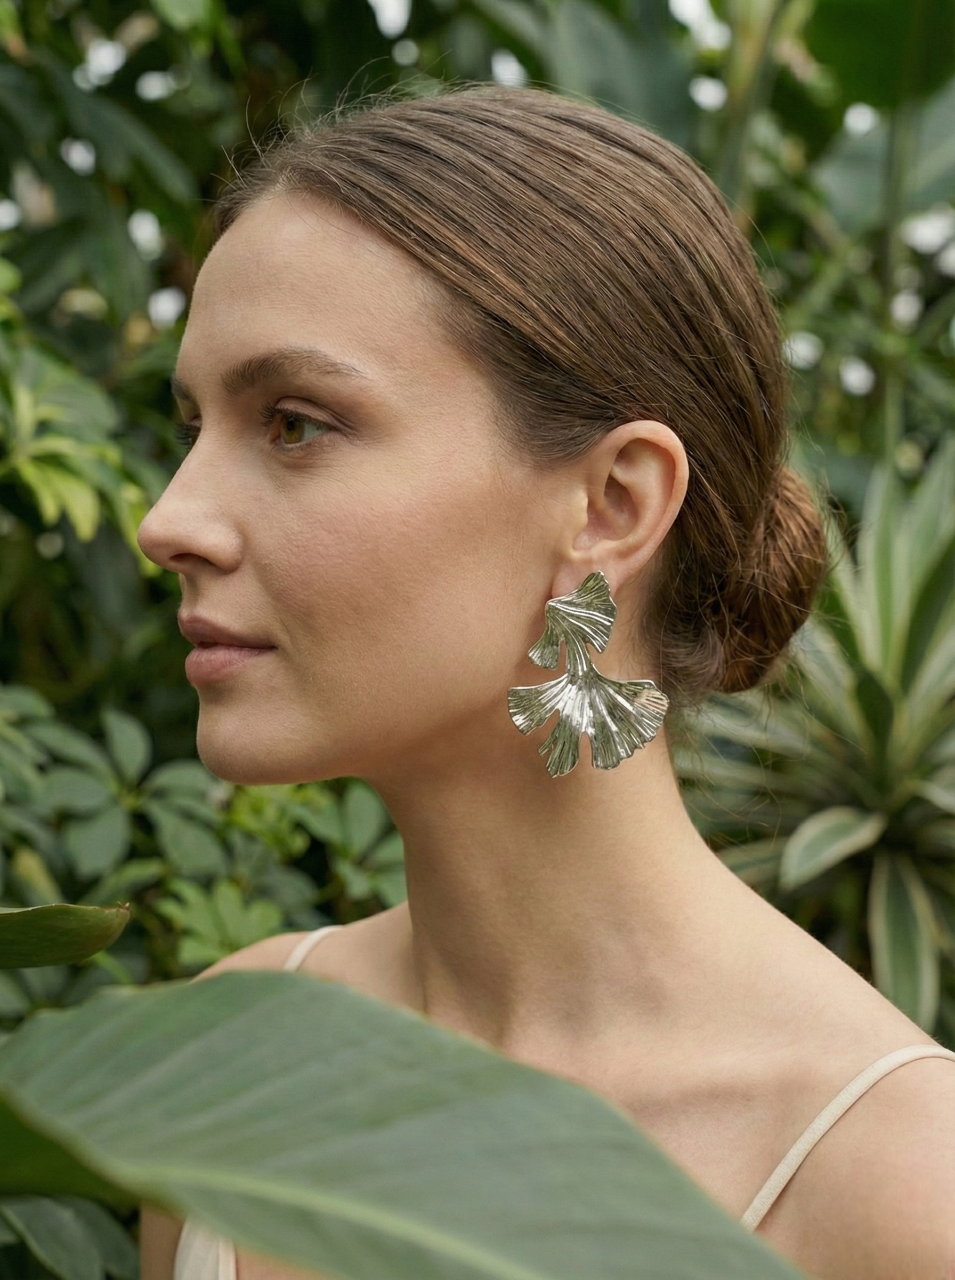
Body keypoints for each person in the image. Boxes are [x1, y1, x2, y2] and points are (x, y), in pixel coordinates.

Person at [137, 85, 955, 1280]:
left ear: (612, 505)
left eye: (295, 423)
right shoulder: (223, 1059)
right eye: (193, 427)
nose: (169, 519)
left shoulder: (896, 1187)